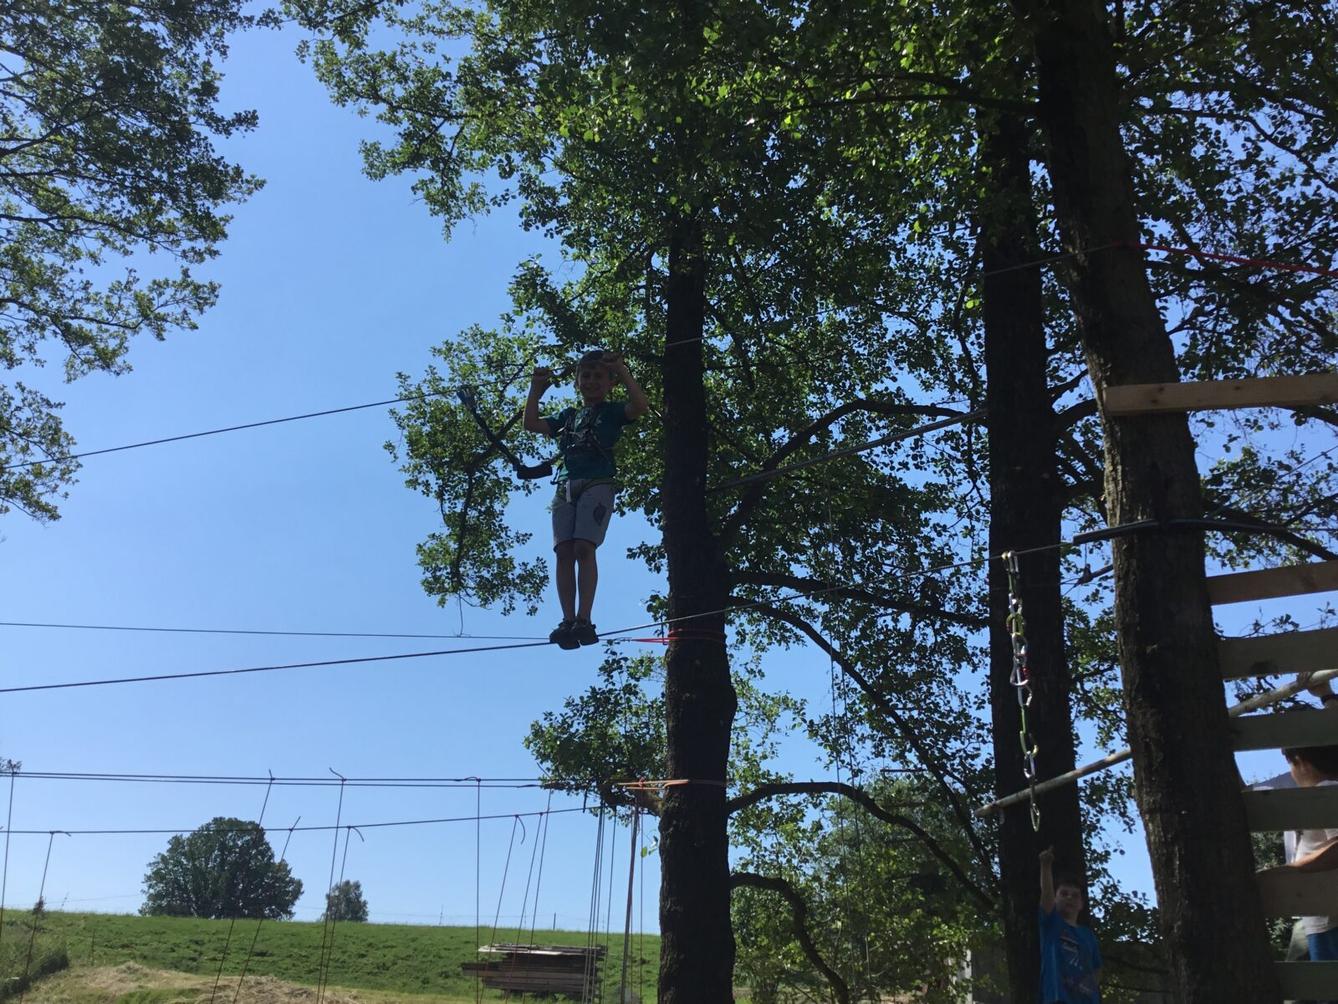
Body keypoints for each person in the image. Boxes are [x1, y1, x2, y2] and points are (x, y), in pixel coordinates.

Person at [523, 349, 649, 650]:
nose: (592, 381)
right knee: (563, 551)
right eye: (586, 376)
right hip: (566, 484)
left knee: (583, 546)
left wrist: (622, 370)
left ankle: (584, 618)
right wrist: (536, 389)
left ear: (610, 383)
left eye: (599, 376)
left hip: (598, 481)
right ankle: (567, 620)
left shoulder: (612, 411)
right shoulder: (568, 416)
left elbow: (640, 406)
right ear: (577, 382)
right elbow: (531, 423)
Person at [1038, 846, 1101, 1004]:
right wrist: (1045, 866)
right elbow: (1046, 895)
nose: (1069, 898)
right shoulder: (1051, 924)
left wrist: (1088, 987)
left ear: (1081, 904)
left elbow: (1097, 968)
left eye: (1075, 895)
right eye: (1064, 894)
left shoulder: (1088, 936)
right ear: (1055, 898)